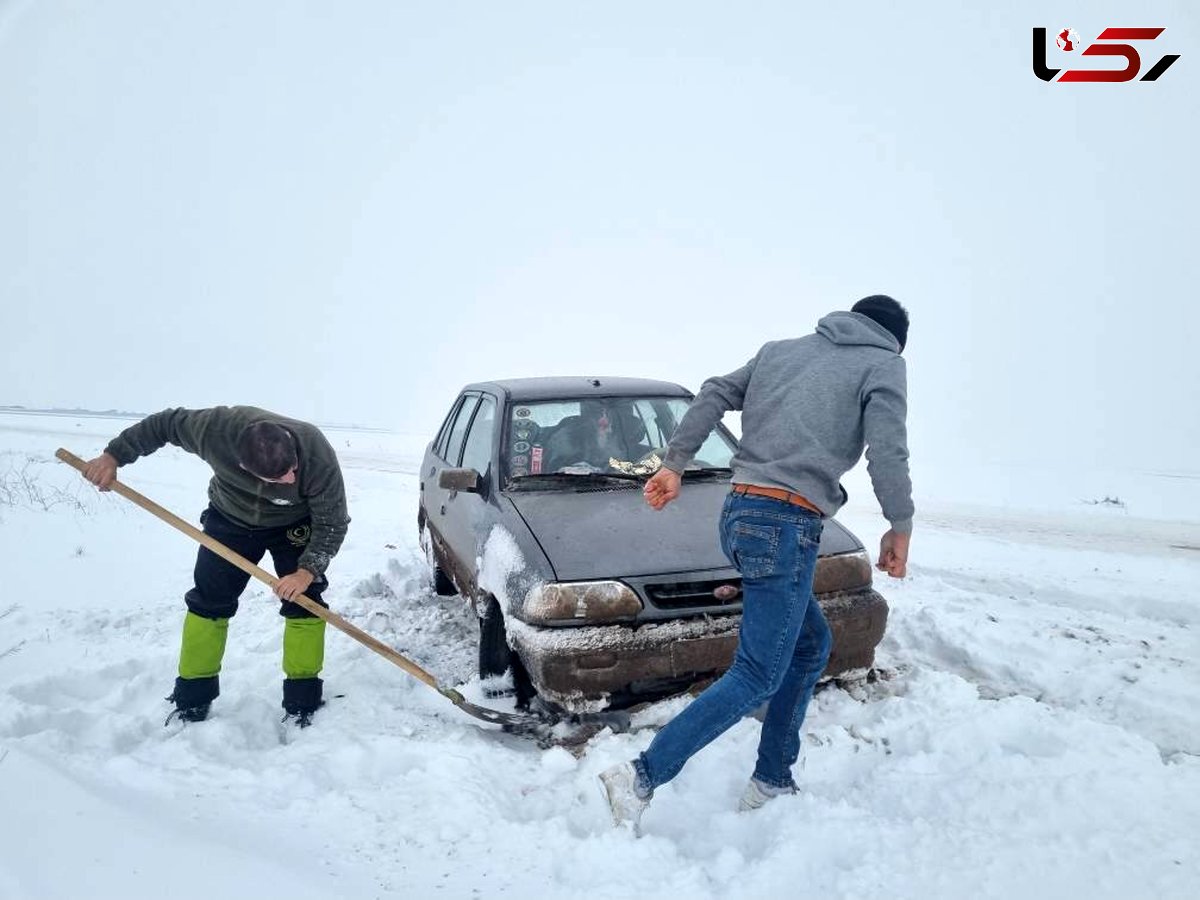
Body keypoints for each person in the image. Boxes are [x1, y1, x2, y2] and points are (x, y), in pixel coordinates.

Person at [599, 295, 913, 830]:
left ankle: (772, 777)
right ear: (894, 337)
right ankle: (641, 775)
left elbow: (714, 391)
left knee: (810, 645)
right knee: (759, 672)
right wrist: (899, 523)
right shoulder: (884, 362)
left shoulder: (780, 351)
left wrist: (675, 465)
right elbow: (888, 450)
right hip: (785, 525)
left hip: (740, 511)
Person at [79, 406, 351, 726]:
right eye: (281, 477)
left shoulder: (315, 454)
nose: (292, 477)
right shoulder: (215, 430)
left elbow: (332, 522)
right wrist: (113, 457)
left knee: (306, 604)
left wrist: (306, 571)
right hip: (230, 519)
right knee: (209, 603)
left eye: (293, 468)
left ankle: (303, 698)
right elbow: (163, 425)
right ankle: (192, 697)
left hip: (293, 524)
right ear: (242, 464)